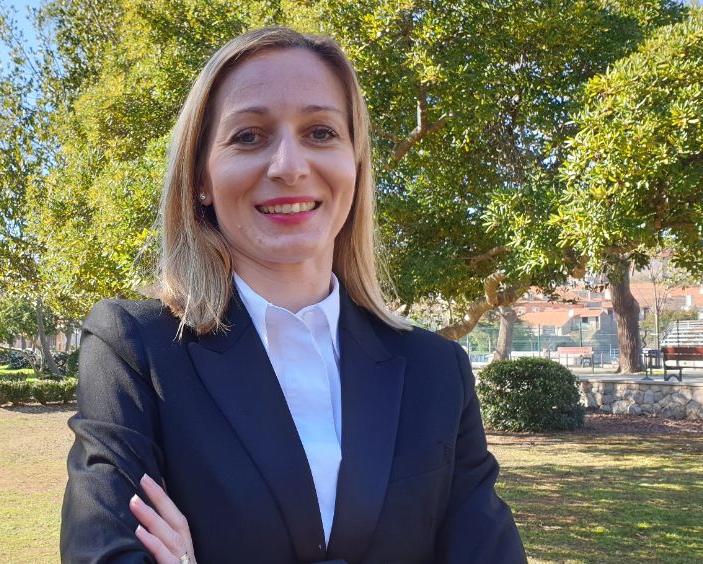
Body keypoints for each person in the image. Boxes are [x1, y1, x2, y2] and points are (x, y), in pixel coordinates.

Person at [61, 26, 526, 564]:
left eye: (321, 132)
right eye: (248, 136)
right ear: (200, 178)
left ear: (356, 165)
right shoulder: (135, 349)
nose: (289, 166)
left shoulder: (436, 369)